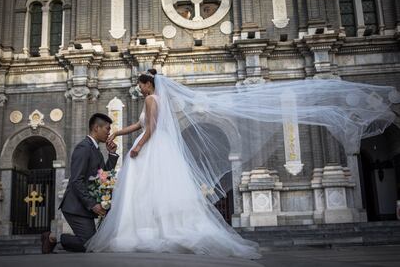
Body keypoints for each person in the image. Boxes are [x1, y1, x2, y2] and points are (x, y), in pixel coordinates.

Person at [85, 69, 395, 259]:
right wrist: (117, 131)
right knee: (153, 192)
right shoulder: (150, 101)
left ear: (148, 84)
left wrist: (136, 148)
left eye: (140, 85)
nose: (138, 89)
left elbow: (149, 131)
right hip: (155, 148)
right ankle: (153, 229)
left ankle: (149, 231)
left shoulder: (153, 100)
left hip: (152, 149)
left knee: (148, 191)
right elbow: (139, 125)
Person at [41, 113, 119, 253]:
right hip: (75, 206)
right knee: (90, 245)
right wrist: (92, 204)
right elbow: (76, 180)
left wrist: (112, 155)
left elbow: (103, 177)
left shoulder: (96, 150)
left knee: (93, 244)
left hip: (83, 208)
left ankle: (55, 240)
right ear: (96, 128)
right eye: (107, 129)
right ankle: (53, 238)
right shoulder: (83, 148)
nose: (109, 133)